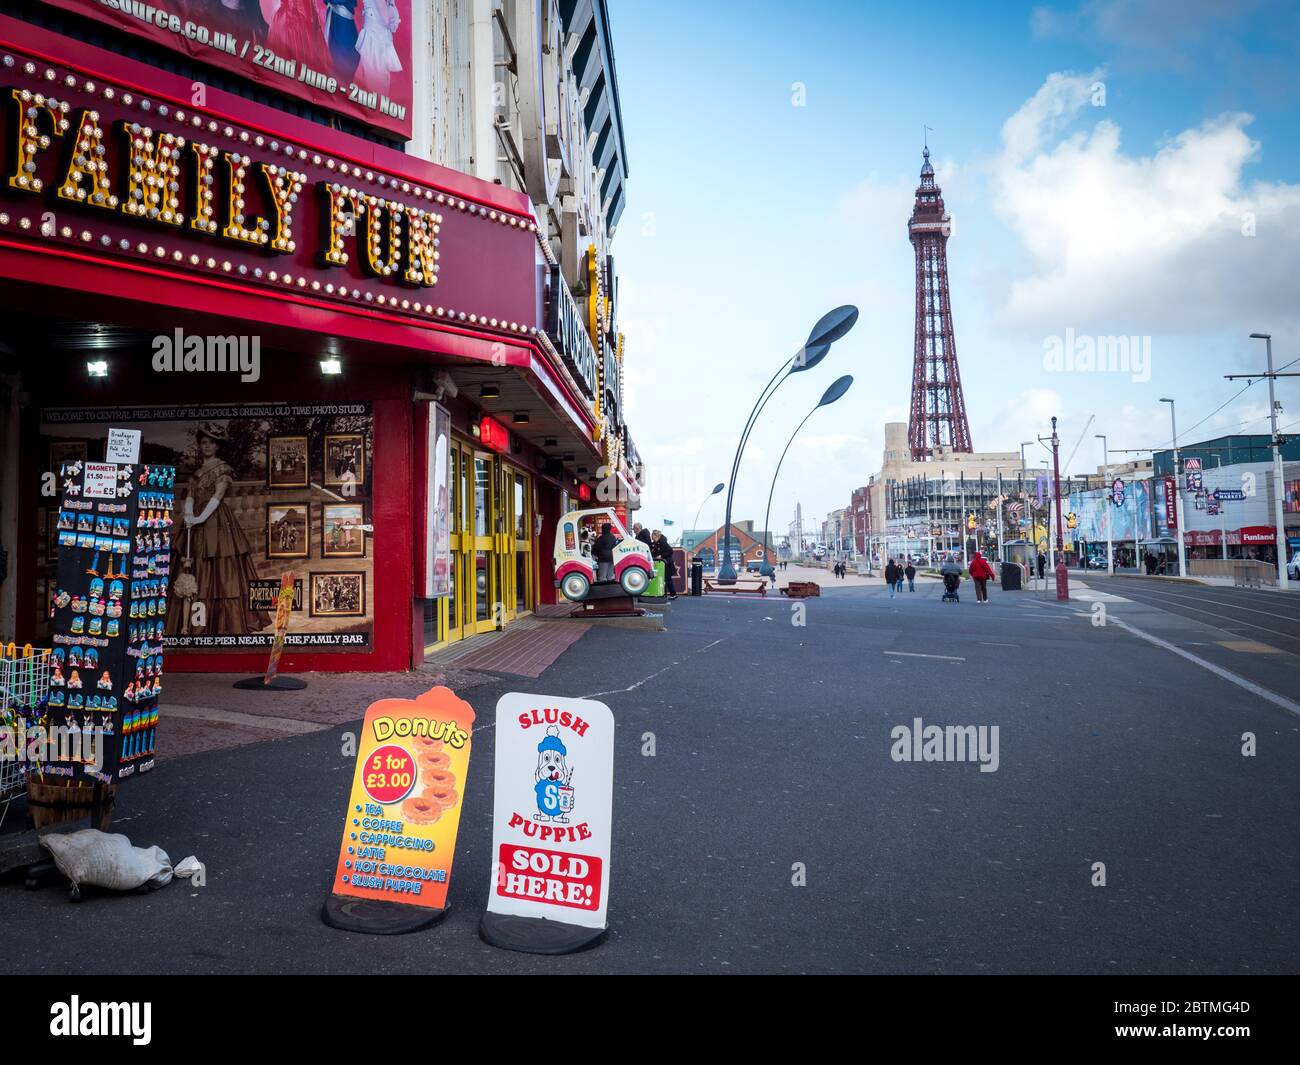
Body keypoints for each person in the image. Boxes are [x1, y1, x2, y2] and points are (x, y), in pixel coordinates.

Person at [167, 429, 270, 636]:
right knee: (192, 564)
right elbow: (190, 495)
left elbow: (217, 496)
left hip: (215, 520)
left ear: (217, 447)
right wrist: (188, 513)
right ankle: (188, 622)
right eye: (204, 442)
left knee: (220, 565)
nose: (207, 446)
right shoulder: (196, 473)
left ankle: (220, 622)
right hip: (194, 522)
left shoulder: (223, 470)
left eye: (211, 443)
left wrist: (199, 518)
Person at [650, 529, 677, 599]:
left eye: (652, 535)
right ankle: (670, 594)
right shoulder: (656, 543)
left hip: (667, 564)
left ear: (656, 536)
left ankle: (672, 594)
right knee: (667, 579)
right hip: (663, 564)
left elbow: (670, 551)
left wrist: (661, 556)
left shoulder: (663, 542)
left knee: (667, 579)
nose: (651, 537)